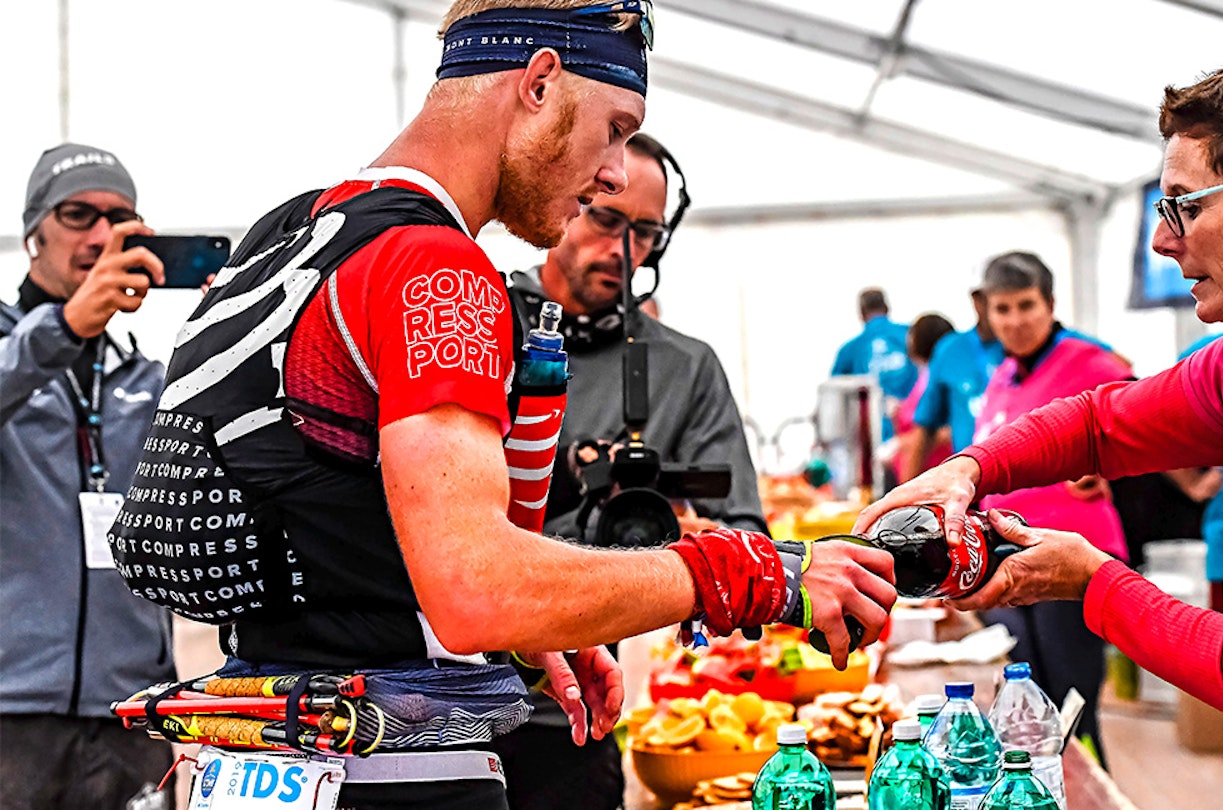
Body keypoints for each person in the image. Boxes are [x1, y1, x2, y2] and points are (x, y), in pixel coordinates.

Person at [109, 4, 896, 809]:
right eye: (617, 127)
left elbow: (324, 508)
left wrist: (536, 634)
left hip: (252, 758)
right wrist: (752, 571)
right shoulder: (435, 270)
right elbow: (477, 589)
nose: (616, 171)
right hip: (398, 773)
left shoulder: (290, 232)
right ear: (541, 81)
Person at [859, 60, 1223, 809]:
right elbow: (1102, 421)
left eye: (1184, 208)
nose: (1166, 243)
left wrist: (1091, 580)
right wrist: (967, 469)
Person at [496, 133, 765, 809]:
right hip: (433, 711)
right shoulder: (477, 324)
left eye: (645, 234)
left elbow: (745, 540)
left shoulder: (685, 368)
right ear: (563, 205)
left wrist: (686, 537)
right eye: (607, 220)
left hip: (582, 717)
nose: (623, 251)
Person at [0, 143, 176, 809]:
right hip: (12, 715)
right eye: (78, 215)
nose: (102, 236)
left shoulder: (150, 378)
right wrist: (63, 330)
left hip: (132, 715)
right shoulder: (12, 354)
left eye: (121, 220)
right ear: (32, 235)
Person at [967, 250, 1131, 766]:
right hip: (1009, 564)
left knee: (1073, 708)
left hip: (1071, 561)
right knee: (1024, 711)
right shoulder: (1001, 378)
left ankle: (1095, 798)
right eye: (1003, 309)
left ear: (1051, 303)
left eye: (1026, 305)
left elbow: (1149, 425)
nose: (1015, 321)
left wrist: (1106, 463)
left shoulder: (1092, 362)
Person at [904, 287, 1003, 480]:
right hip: (970, 483)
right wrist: (903, 497)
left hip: (1029, 488)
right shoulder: (950, 350)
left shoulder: (1055, 348)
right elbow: (925, 427)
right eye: (1003, 306)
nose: (1014, 320)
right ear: (977, 300)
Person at [830, 287, 917, 440]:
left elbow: (834, 396)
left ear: (861, 313)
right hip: (915, 433)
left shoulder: (849, 350)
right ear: (887, 308)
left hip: (873, 439)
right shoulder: (912, 334)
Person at [891, 312, 954, 484]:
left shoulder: (942, 379)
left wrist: (901, 443)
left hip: (933, 476)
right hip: (918, 476)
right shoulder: (924, 376)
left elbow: (946, 429)